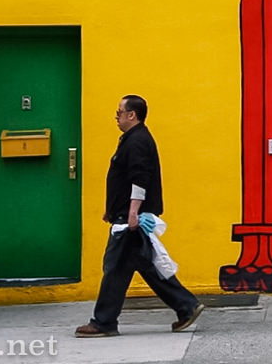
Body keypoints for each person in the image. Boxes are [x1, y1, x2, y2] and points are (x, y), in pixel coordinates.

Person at [75, 94, 204, 337]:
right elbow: (125, 180)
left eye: (119, 112)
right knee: (143, 265)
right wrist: (112, 208)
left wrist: (132, 212)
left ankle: (103, 322)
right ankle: (186, 306)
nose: (117, 116)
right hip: (125, 214)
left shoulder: (136, 141)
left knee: (115, 269)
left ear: (131, 115)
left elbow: (139, 178)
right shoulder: (134, 139)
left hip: (130, 219)